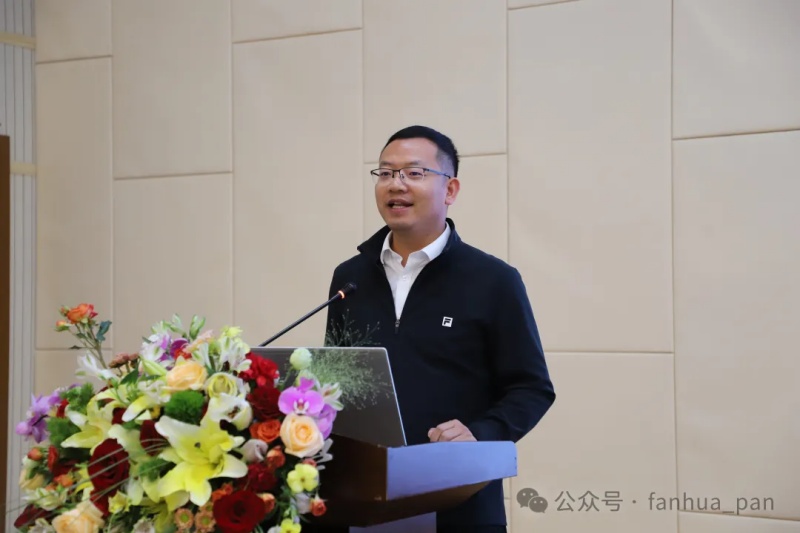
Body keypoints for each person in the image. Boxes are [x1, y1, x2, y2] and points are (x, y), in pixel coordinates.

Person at [321, 125, 555, 532]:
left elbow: (531, 388)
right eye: (385, 173)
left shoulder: (493, 280)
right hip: (360, 501)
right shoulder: (350, 277)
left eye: (414, 173)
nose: (396, 184)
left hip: (458, 501)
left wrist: (479, 433)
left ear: (450, 189)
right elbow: (335, 381)